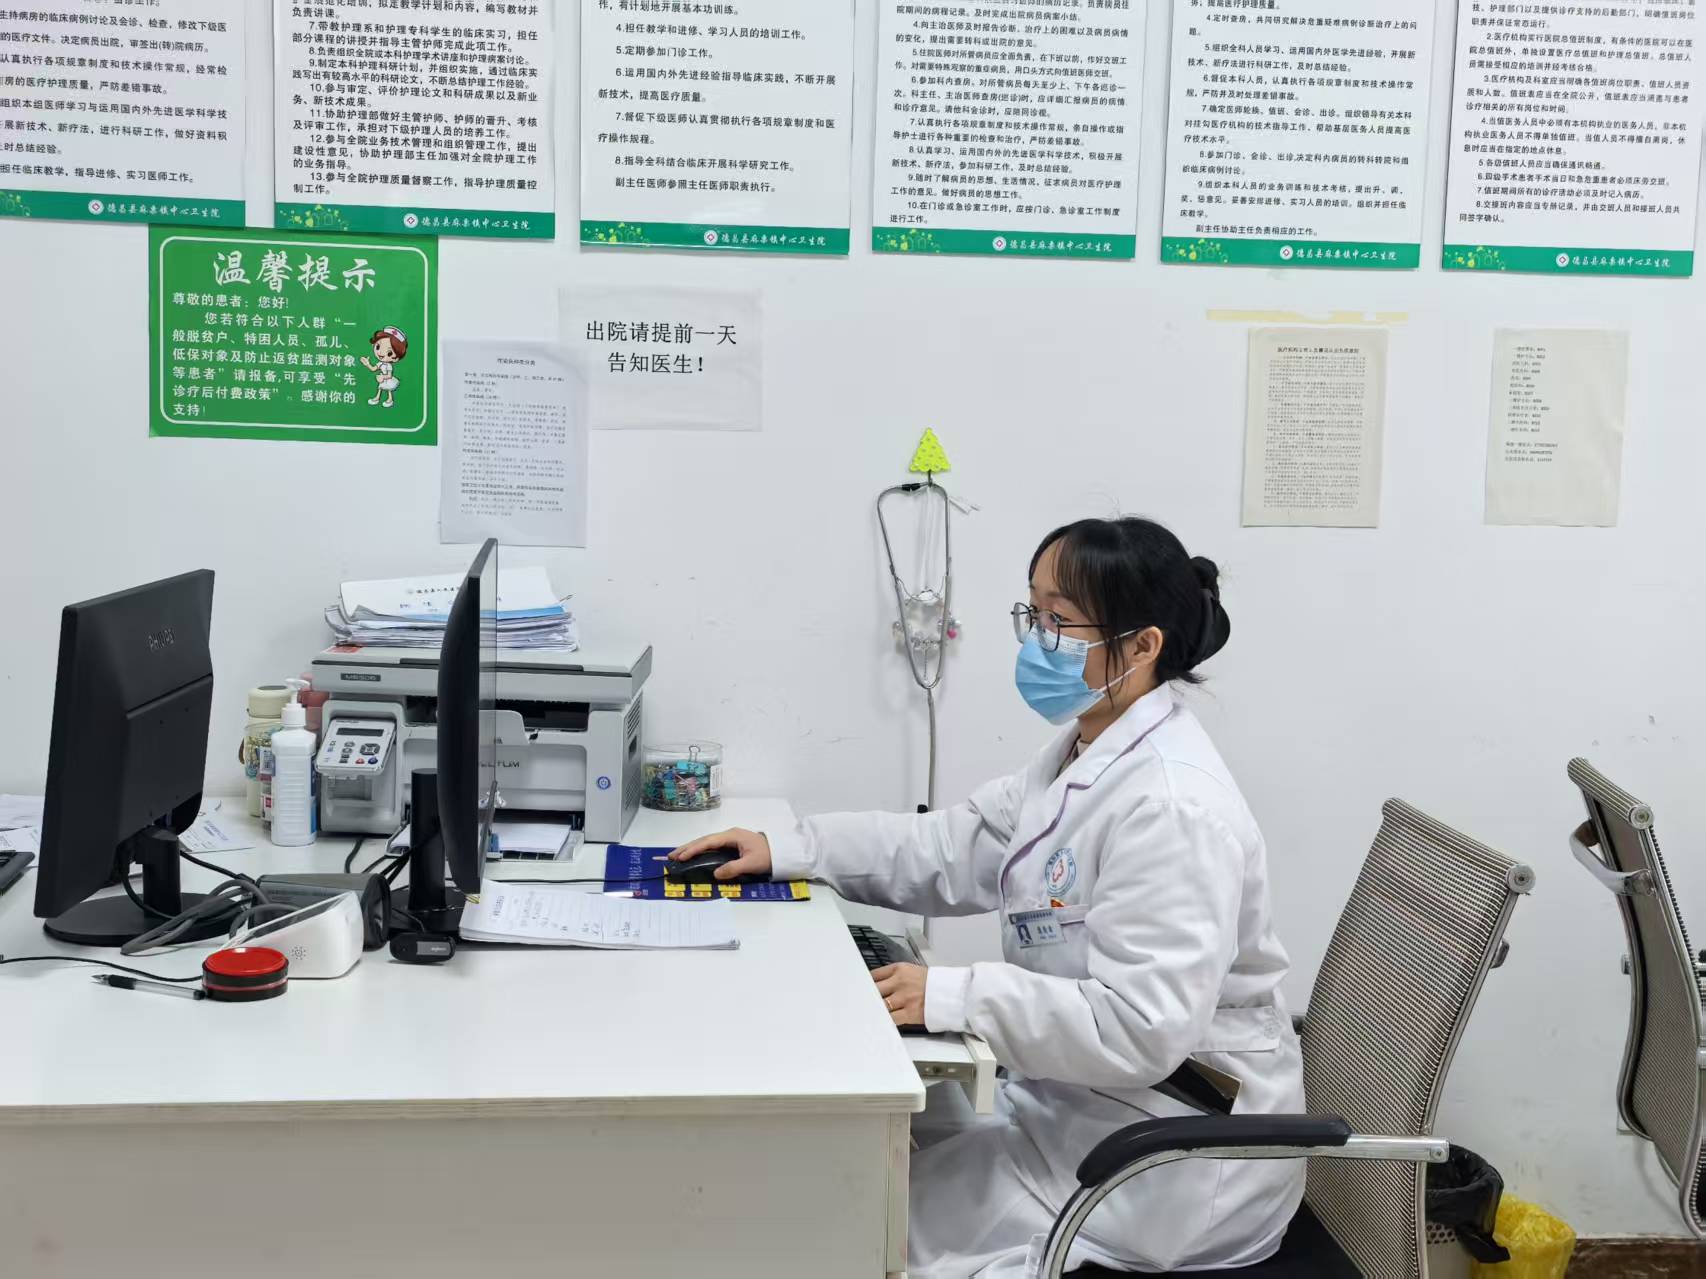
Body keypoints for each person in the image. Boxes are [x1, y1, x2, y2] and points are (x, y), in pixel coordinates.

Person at [672, 517, 1306, 1276]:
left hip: (1164, 1169)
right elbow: (950, 845)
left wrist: (950, 995)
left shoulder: (1174, 807)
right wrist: (794, 848)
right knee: (841, 1167)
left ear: (1143, 646)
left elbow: (1143, 1029)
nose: (1038, 640)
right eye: (1033, 613)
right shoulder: (1083, 754)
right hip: (1074, 1113)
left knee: (851, 1229)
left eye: (1060, 620)